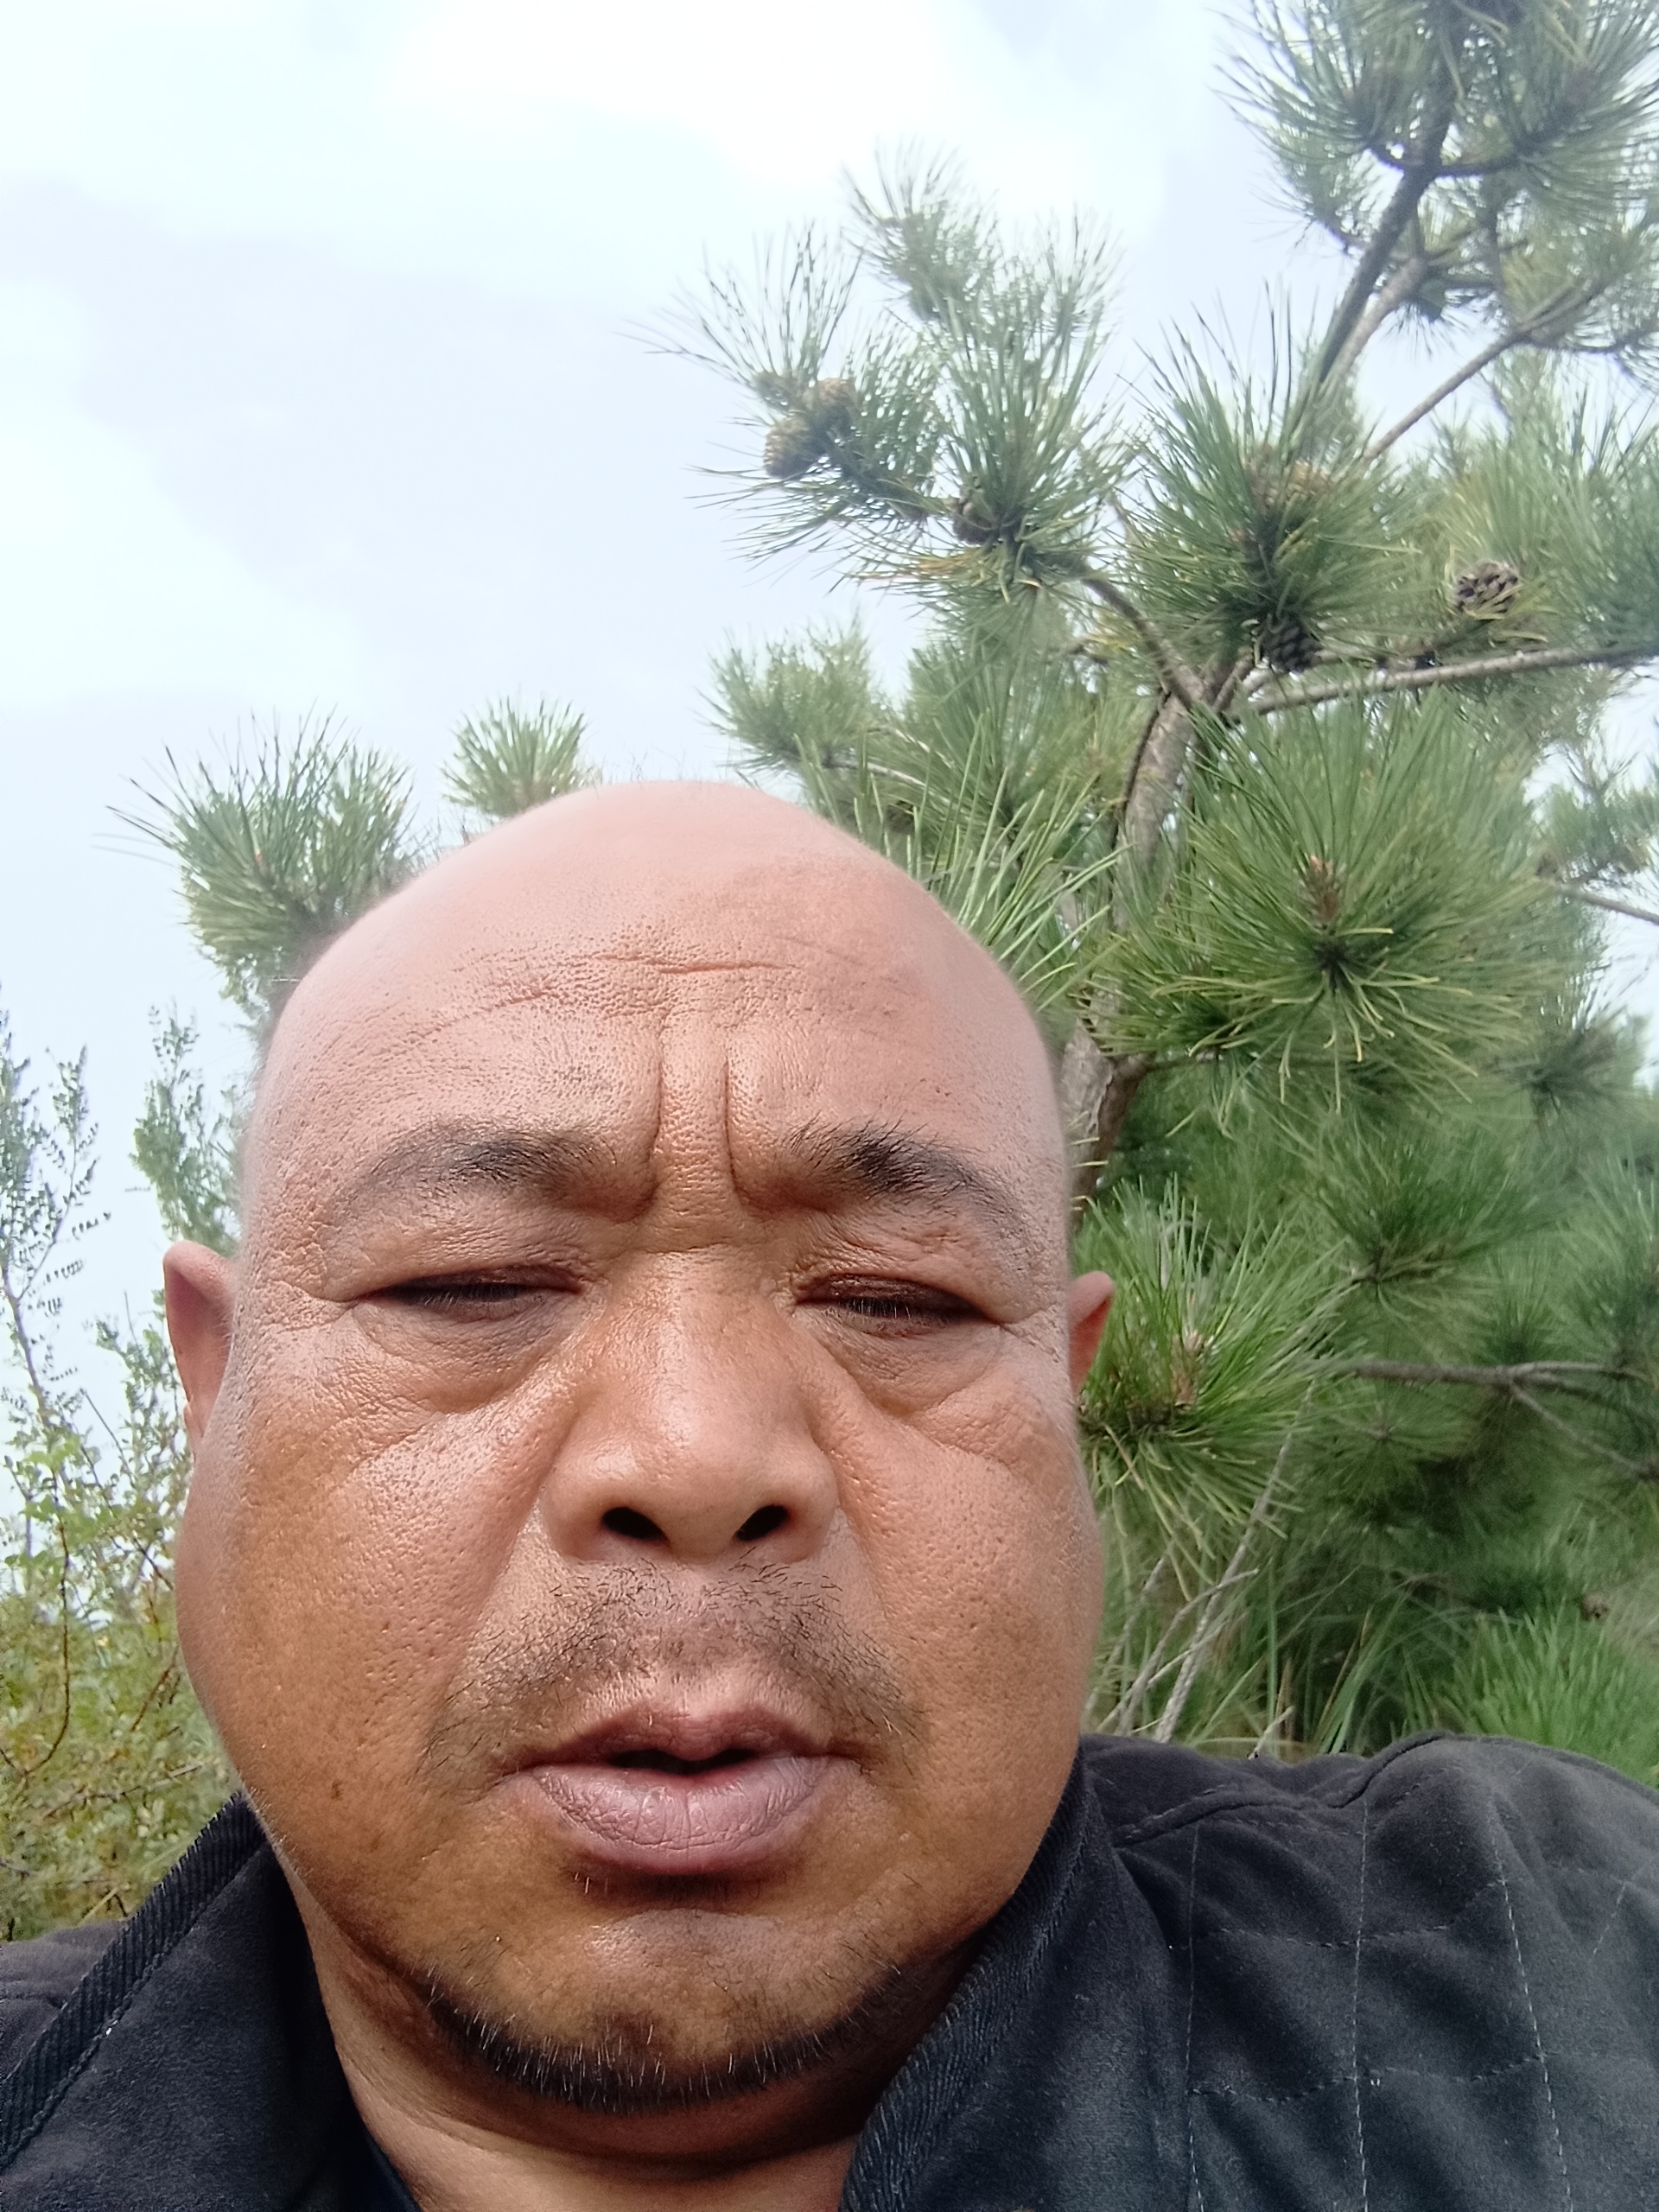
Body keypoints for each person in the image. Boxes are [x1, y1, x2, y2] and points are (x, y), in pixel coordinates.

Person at [3, 781, 1657, 2212]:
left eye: (896, 1301)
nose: (696, 1460)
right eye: (471, 1283)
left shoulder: (1554, 1972)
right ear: (215, 1392)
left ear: (1066, 1395)